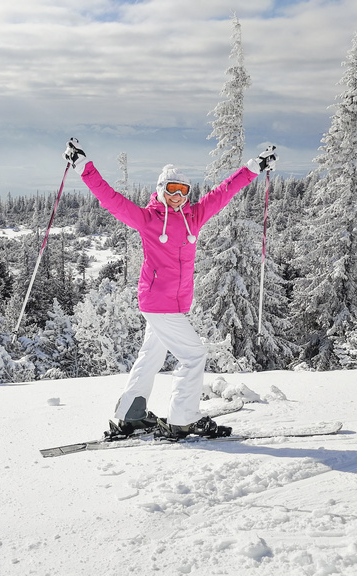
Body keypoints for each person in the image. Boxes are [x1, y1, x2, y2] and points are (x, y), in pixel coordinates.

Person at [63, 138, 276, 441]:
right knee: (193, 355)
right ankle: (182, 419)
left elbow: (225, 191)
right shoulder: (148, 219)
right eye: (171, 190)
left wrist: (254, 167)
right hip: (156, 302)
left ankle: (130, 414)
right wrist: (84, 166)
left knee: (151, 355)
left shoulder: (195, 217)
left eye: (183, 191)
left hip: (175, 304)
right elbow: (110, 199)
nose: (177, 196)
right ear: (161, 190)